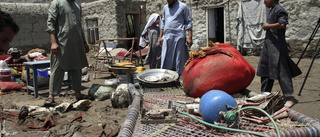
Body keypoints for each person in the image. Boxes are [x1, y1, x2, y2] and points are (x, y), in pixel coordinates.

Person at [45, 0, 91, 106]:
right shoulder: (57, 3)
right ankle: (51, 95)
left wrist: (84, 42)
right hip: (61, 43)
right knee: (57, 67)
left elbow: (79, 25)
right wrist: (53, 42)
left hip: (76, 43)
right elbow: (50, 23)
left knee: (77, 67)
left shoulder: (77, 7)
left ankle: (78, 94)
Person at [257, 0, 301, 108]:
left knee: (282, 70)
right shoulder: (272, 10)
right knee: (265, 69)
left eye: (266, 0)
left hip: (277, 47)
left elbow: (282, 24)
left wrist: (268, 26)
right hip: (269, 45)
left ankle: (289, 97)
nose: (264, 2)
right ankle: (265, 93)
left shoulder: (280, 10)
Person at [159, 0, 193, 77]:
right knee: (166, 57)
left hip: (179, 36)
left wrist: (190, 37)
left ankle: (177, 77)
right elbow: (163, 22)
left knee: (179, 58)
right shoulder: (165, 7)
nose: (168, 1)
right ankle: (168, 76)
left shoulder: (183, 6)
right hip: (167, 36)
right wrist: (160, 37)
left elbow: (189, 22)